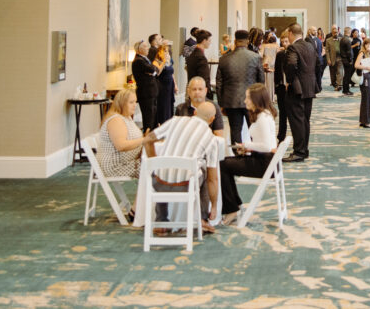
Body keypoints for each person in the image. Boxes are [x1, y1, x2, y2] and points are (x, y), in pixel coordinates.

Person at [149, 104, 221, 234]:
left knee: (161, 171)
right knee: (205, 172)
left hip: (159, 183)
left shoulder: (175, 120)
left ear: (194, 113)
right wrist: (214, 206)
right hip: (186, 185)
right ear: (212, 119)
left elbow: (148, 139)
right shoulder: (211, 139)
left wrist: (153, 162)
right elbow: (213, 179)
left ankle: (161, 220)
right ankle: (203, 218)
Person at [219, 83, 278, 225]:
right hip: (266, 161)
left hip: (264, 164)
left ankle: (232, 208)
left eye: (248, 98)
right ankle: (234, 205)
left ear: (256, 100)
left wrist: (247, 145)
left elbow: (266, 146)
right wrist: (248, 148)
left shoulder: (263, 118)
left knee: (223, 165)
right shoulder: (264, 115)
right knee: (225, 163)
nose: (245, 101)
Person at [215, 29, 264, 145]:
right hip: (251, 100)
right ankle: (255, 156)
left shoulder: (224, 59)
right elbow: (261, 81)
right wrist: (260, 101)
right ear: (247, 41)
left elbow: (219, 84)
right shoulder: (255, 57)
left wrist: (221, 103)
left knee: (235, 131)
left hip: (231, 101)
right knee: (254, 131)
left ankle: (237, 157)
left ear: (235, 41)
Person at [97, 88, 157, 181]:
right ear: (122, 103)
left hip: (127, 162)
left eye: (135, 102)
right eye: (131, 102)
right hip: (116, 166)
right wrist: (144, 140)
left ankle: (151, 193)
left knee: (157, 162)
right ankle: (154, 193)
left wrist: (145, 137)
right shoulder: (116, 120)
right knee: (157, 167)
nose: (134, 105)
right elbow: (121, 146)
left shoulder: (126, 117)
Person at [283, 23, 317, 162]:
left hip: (296, 89)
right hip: (309, 87)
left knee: (297, 120)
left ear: (291, 33)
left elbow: (291, 64)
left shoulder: (293, 47)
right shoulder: (310, 45)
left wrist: (289, 81)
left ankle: (299, 151)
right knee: (305, 120)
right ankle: (304, 149)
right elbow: (318, 63)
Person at [132, 40, 160, 130]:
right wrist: (153, 70)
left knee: (154, 117)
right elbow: (153, 69)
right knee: (149, 118)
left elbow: (155, 70)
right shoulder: (139, 61)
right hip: (146, 93)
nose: (148, 48)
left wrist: (153, 71)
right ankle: (147, 138)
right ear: (139, 49)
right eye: (145, 46)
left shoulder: (145, 59)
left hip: (151, 92)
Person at [355, 37, 370, 128]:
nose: (369, 46)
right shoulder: (362, 53)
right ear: (364, 45)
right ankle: (367, 122)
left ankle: (363, 120)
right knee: (366, 99)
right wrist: (367, 67)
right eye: (367, 44)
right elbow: (356, 65)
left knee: (367, 99)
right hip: (365, 78)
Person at [153, 37, 176, 126]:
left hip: (170, 85)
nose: (167, 53)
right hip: (162, 86)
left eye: (167, 51)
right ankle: (162, 123)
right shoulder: (157, 61)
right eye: (165, 51)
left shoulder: (169, 61)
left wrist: (175, 84)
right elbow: (157, 73)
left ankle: (169, 123)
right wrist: (163, 62)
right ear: (160, 52)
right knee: (163, 105)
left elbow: (172, 73)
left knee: (170, 104)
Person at [185, 29, 213, 98]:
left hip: (193, 89)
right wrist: (208, 92)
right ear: (204, 41)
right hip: (199, 93)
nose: (210, 42)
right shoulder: (200, 57)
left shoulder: (193, 54)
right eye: (209, 40)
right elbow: (204, 78)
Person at [273, 34, 290, 142]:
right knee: (282, 114)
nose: (284, 43)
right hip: (281, 87)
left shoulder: (294, 54)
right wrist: (276, 87)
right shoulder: (279, 55)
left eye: (286, 41)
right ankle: (281, 136)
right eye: (282, 41)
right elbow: (276, 71)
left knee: (292, 114)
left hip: (291, 88)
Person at [260, 32, 279, 98]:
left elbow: (260, 55)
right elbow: (278, 55)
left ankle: (266, 97)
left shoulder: (263, 45)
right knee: (271, 82)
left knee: (266, 82)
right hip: (273, 64)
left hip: (266, 63)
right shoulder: (276, 45)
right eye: (270, 35)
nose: (271, 36)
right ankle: (271, 97)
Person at [338, 29, 355, 95]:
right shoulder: (347, 40)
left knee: (346, 75)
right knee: (347, 76)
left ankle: (345, 89)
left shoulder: (342, 39)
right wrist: (350, 60)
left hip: (344, 59)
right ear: (349, 32)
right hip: (347, 60)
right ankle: (346, 90)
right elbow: (349, 52)